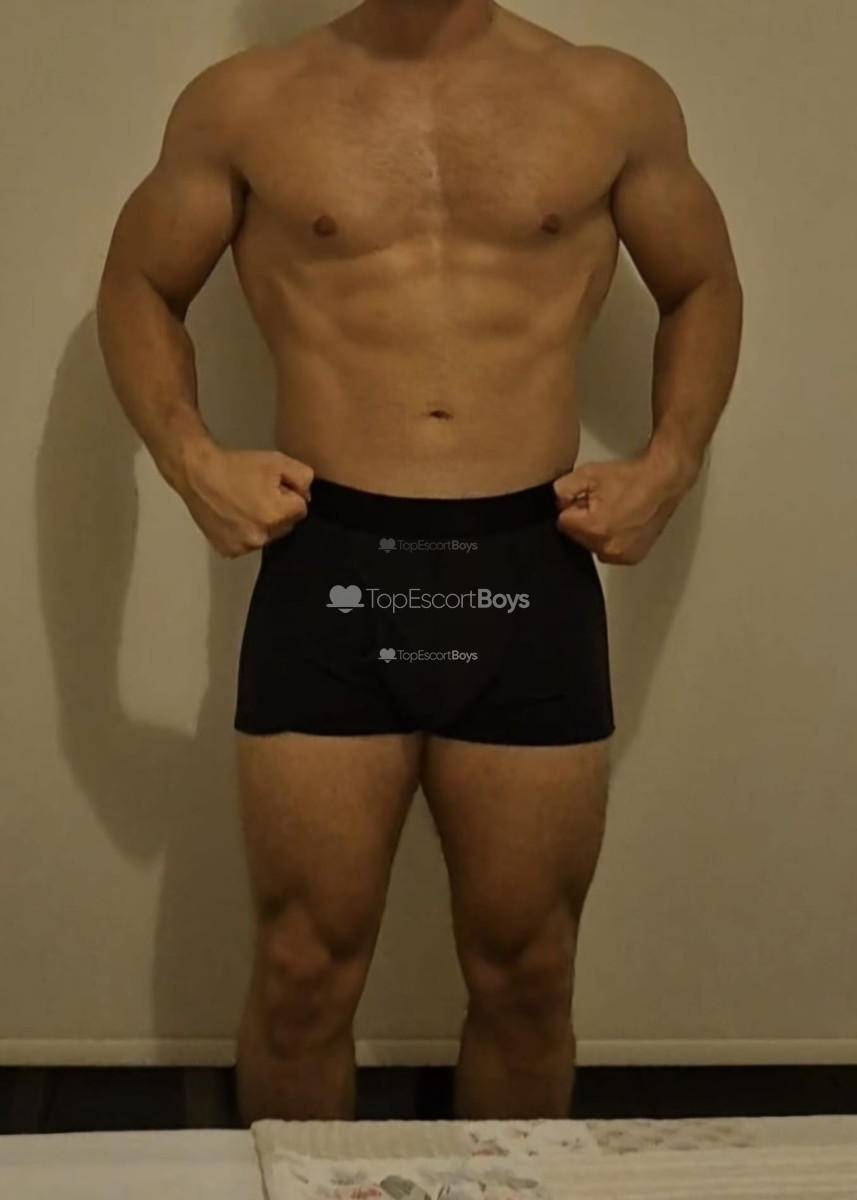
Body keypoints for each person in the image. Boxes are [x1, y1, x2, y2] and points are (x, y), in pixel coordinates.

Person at [96, 0, 743, 1125]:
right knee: (302, 969)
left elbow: (703, 284)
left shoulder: (607, 96)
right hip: (332, 565)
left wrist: (670, 461)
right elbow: (138, 284)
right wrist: (189, 458)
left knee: (527, 974)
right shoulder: (246, 103)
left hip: (526, 566)